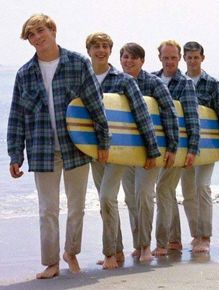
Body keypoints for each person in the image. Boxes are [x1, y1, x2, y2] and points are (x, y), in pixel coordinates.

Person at [7, 14, 110, 279]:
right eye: (31, 34)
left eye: (40, 31)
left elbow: (95, 105)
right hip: (42, 150)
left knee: (77, 207)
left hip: (76, 147)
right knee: (47, 209)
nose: (37, 37)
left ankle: (71, 252)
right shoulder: (24, 74)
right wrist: (15, 154)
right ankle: (51, 262)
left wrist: (103, 142)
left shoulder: (78, 63)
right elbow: (16, 116)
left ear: (52, 30)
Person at [86, 32, 160, 268]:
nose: (100, 50)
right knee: (103, 200)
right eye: (96, 46)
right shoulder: (83, 79)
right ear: (88, 50)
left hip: (118, 148)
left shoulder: (123, 80)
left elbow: (142, 114)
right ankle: (117, 251)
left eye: (105, 46)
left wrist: (151, 149)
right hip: (92, 149)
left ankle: (109, 253)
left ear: (110, 50)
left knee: (108, 196)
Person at [120, 42, 178, 260]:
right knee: (130, 199)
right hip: (124, 152)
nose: (129, 61)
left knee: (144, 195)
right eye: (125, 57)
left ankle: (145, 247)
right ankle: (138, 244)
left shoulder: (153, 83)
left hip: (150, 151)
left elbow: (169, 113)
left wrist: (172, 147)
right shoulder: (116, 82)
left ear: (142, 61)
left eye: (134, 57)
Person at [173, 41, 219, 253]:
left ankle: (205, 236)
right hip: (184, 147)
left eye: (195, 57)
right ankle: (195, 234)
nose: (192, 61)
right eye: (188, 57)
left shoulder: (212, 84)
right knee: (188, 192)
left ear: (202, 58)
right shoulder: (177, 82)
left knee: (203, 187)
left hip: (207, 147)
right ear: (184, 59)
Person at [151, 40, 200, 256]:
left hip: (177, 146)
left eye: (173, 57)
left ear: (179, 58)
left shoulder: (185, 83)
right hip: (156, 147)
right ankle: (175, 241)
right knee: (167, 192)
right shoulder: (151, 79)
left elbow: (192, 118)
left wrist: (192, 149)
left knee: (163, 188)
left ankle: (161, 243)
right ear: (159, 57)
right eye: (165, 57)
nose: (169, 61)